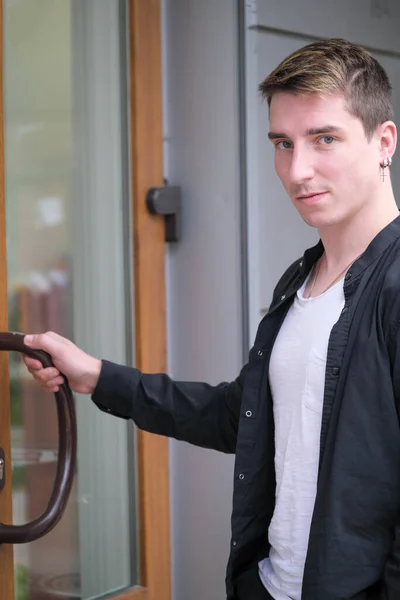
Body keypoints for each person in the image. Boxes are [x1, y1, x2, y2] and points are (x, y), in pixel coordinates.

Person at [23, 38, 400, 600]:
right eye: (282, 143)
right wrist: (98, 376)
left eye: (325, 139)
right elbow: (239, 415)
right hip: (269, 586)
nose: (298, 171)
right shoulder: (301, 282)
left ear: (383, 141)